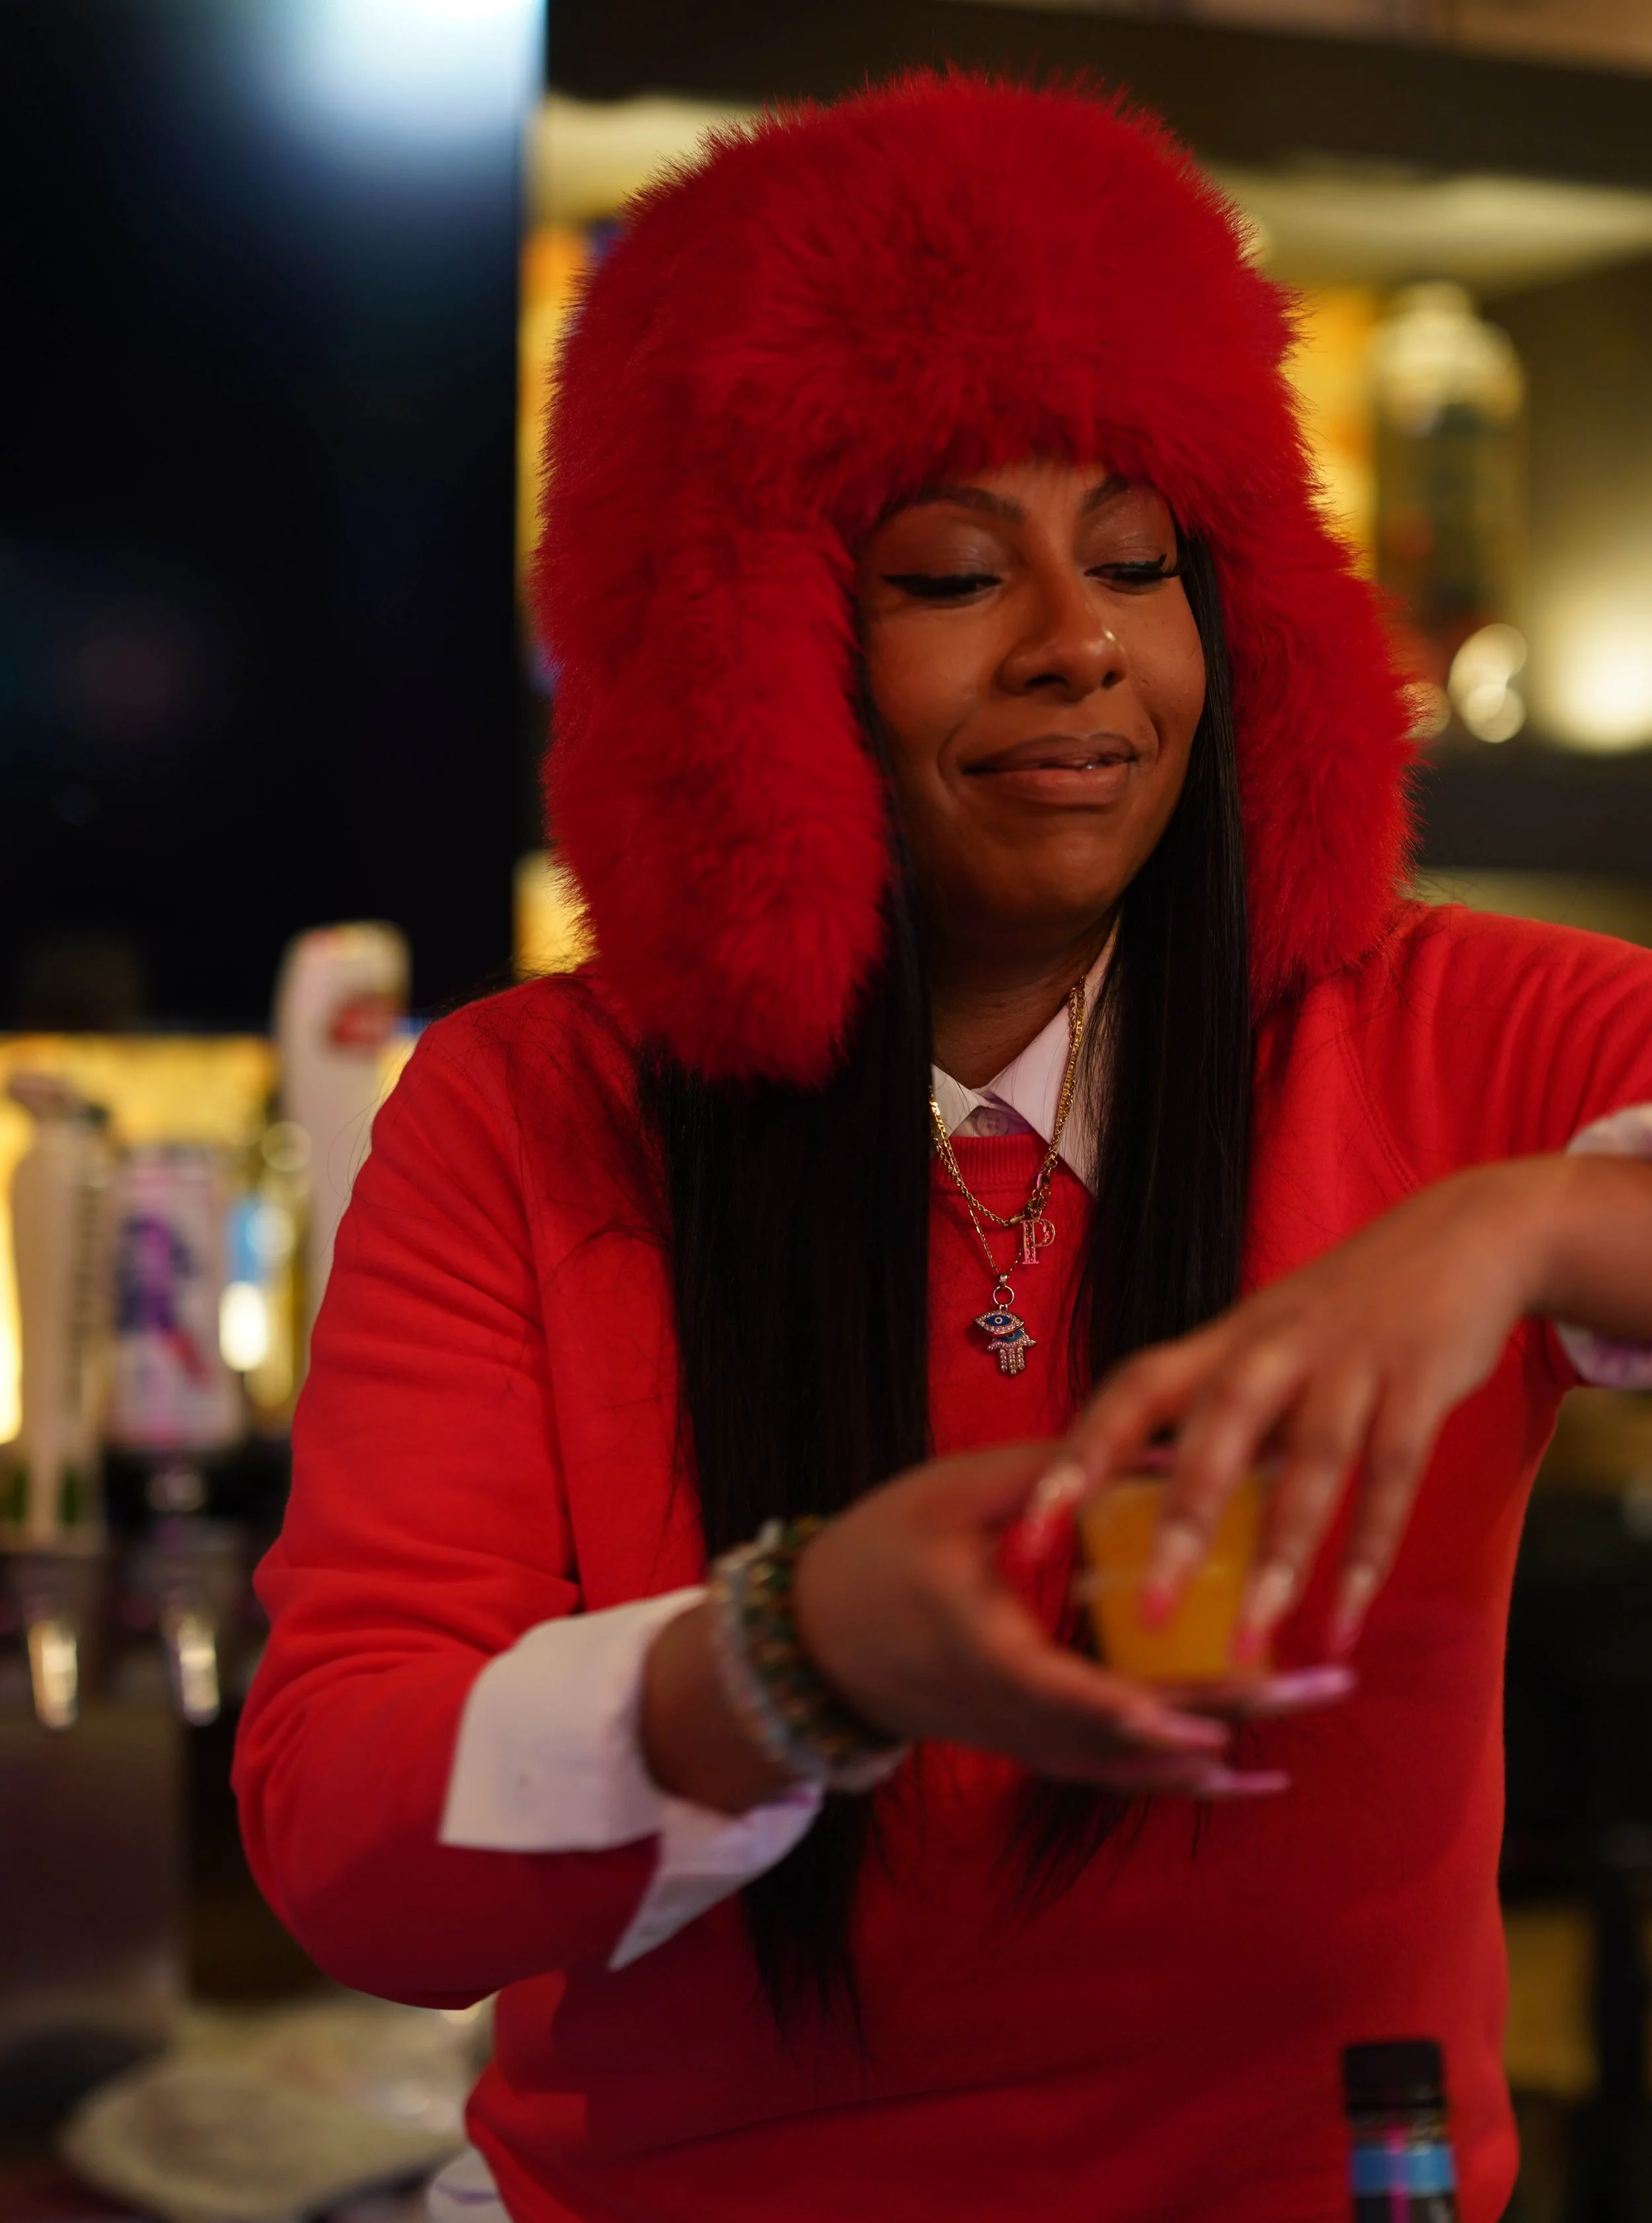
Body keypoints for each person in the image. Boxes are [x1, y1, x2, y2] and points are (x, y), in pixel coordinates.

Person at [234, 75, 1652, 2222]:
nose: (1076, 643)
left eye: (1134, 559)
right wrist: (793, 1660)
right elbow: (347, 1845)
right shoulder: (528, 1111)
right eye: (952, 570)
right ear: (740, 652)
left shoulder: (1461, 1031)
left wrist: (1526, 1226)